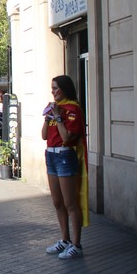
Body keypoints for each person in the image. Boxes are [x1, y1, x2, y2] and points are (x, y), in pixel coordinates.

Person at [41, 75, 89, 259]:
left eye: (55, 88)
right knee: (57, 202)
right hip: (51, 155)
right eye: (52, 88)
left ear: (64, 89)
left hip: (64, 156)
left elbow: (67, 137)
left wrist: (59, 118)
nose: (52, 92)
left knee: (70, 203)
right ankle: (65, 239)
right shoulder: (55, 110)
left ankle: (76, 244)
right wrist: (48, 118)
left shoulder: (72, 110)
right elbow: (44, 136)